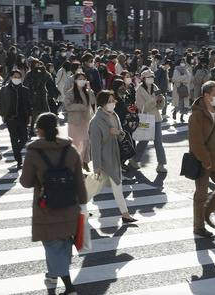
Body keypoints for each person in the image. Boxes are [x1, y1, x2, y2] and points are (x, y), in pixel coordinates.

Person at [20, 112, 87, 295]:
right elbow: (79, 180)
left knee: (52, 244)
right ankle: (52, 275)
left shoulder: (34, 152)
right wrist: (83, 203)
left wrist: (40, 181)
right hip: (69, 204)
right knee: (63, 242)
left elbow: (25, 182)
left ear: (39, 130)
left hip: (46, 206)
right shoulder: (70, 149)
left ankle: (69, 287)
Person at [188, 81, 215, 238]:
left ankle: (206, 213)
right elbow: (195, 142)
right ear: (206, 95)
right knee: (201, 195)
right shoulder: (197, 115)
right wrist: (205, 159)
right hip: (203, 161)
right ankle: (198, 227)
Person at [90, 90, 138, 222]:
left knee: (107, 186)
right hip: (104, 160)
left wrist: (118, 132)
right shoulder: (96, 121)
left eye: (113, 101)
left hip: (116, 156)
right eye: (109, 102)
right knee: (98, 188)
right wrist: (97, 166)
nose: (112, 104)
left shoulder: (114, 115)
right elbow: (94, 145)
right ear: (102, 103)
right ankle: (125, 214)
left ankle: (125, 214)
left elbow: (121, 133)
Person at [128, 70, 168, 173]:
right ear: (143, 78)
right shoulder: (139, 90)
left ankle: (161, 164)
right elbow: (142, 107)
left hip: (156, 119)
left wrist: (161, 100)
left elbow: (160, 106)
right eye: (149, 77)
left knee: (158, 142)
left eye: (152, 76)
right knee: (144, 141)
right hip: (146, 118)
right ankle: (135, 160)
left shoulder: (155, 87)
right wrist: (154, 99)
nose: (151, 78)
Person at [0, 70, 32, 169]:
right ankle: (19, 160)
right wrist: (3, 114)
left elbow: (29, 105)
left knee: (24, 138)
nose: (16, 79)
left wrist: (30, 117)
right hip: (11, 118)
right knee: (13, 139)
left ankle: (16, 150)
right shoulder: (5, 89)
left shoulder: (25, 90)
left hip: (22, 118)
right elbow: (0, 103)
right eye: (15, 77)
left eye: (18, 77)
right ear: (11, 78)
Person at [64, 72, 95, 172]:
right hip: (74, 122)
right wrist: (80, 107)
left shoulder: (87, 91)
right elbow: (67, 106)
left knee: (86, 142)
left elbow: (93, 102)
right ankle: (76, 164)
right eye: (80, 79)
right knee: (75, 144)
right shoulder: (70, 92)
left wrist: (90, 90)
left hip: (85, 121)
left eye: (83, 79)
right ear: (76, 80)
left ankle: (84, 162)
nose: (82, 81)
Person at [172, 58, 193, 122]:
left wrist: (183, 79)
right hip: (178, 88)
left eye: (183, 62)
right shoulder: (176, 70)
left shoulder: (187, 70)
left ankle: (182, 117)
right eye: (181, 62)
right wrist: (184, 78)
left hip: (186, 88)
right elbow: (175, 79)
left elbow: (189, 79)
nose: (182, 63)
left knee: (185, 104)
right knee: (178, 102)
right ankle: (175, 112)